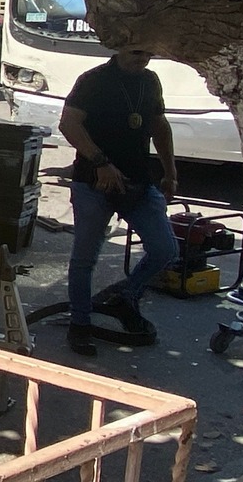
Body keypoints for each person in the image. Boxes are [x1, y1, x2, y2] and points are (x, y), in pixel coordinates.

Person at [58, 48, 178, 356]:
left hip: (137, 181)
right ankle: (80, 324)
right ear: (121, 47)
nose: (143, 58)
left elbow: (159, 126)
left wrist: (170, 173)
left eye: (148, 53)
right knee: (84, 258)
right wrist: (100, 162)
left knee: (165, 249)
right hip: (93, 182)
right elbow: (69, 124)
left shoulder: (149, 81)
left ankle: (125, 296)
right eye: (137, 51)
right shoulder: (93, 80)